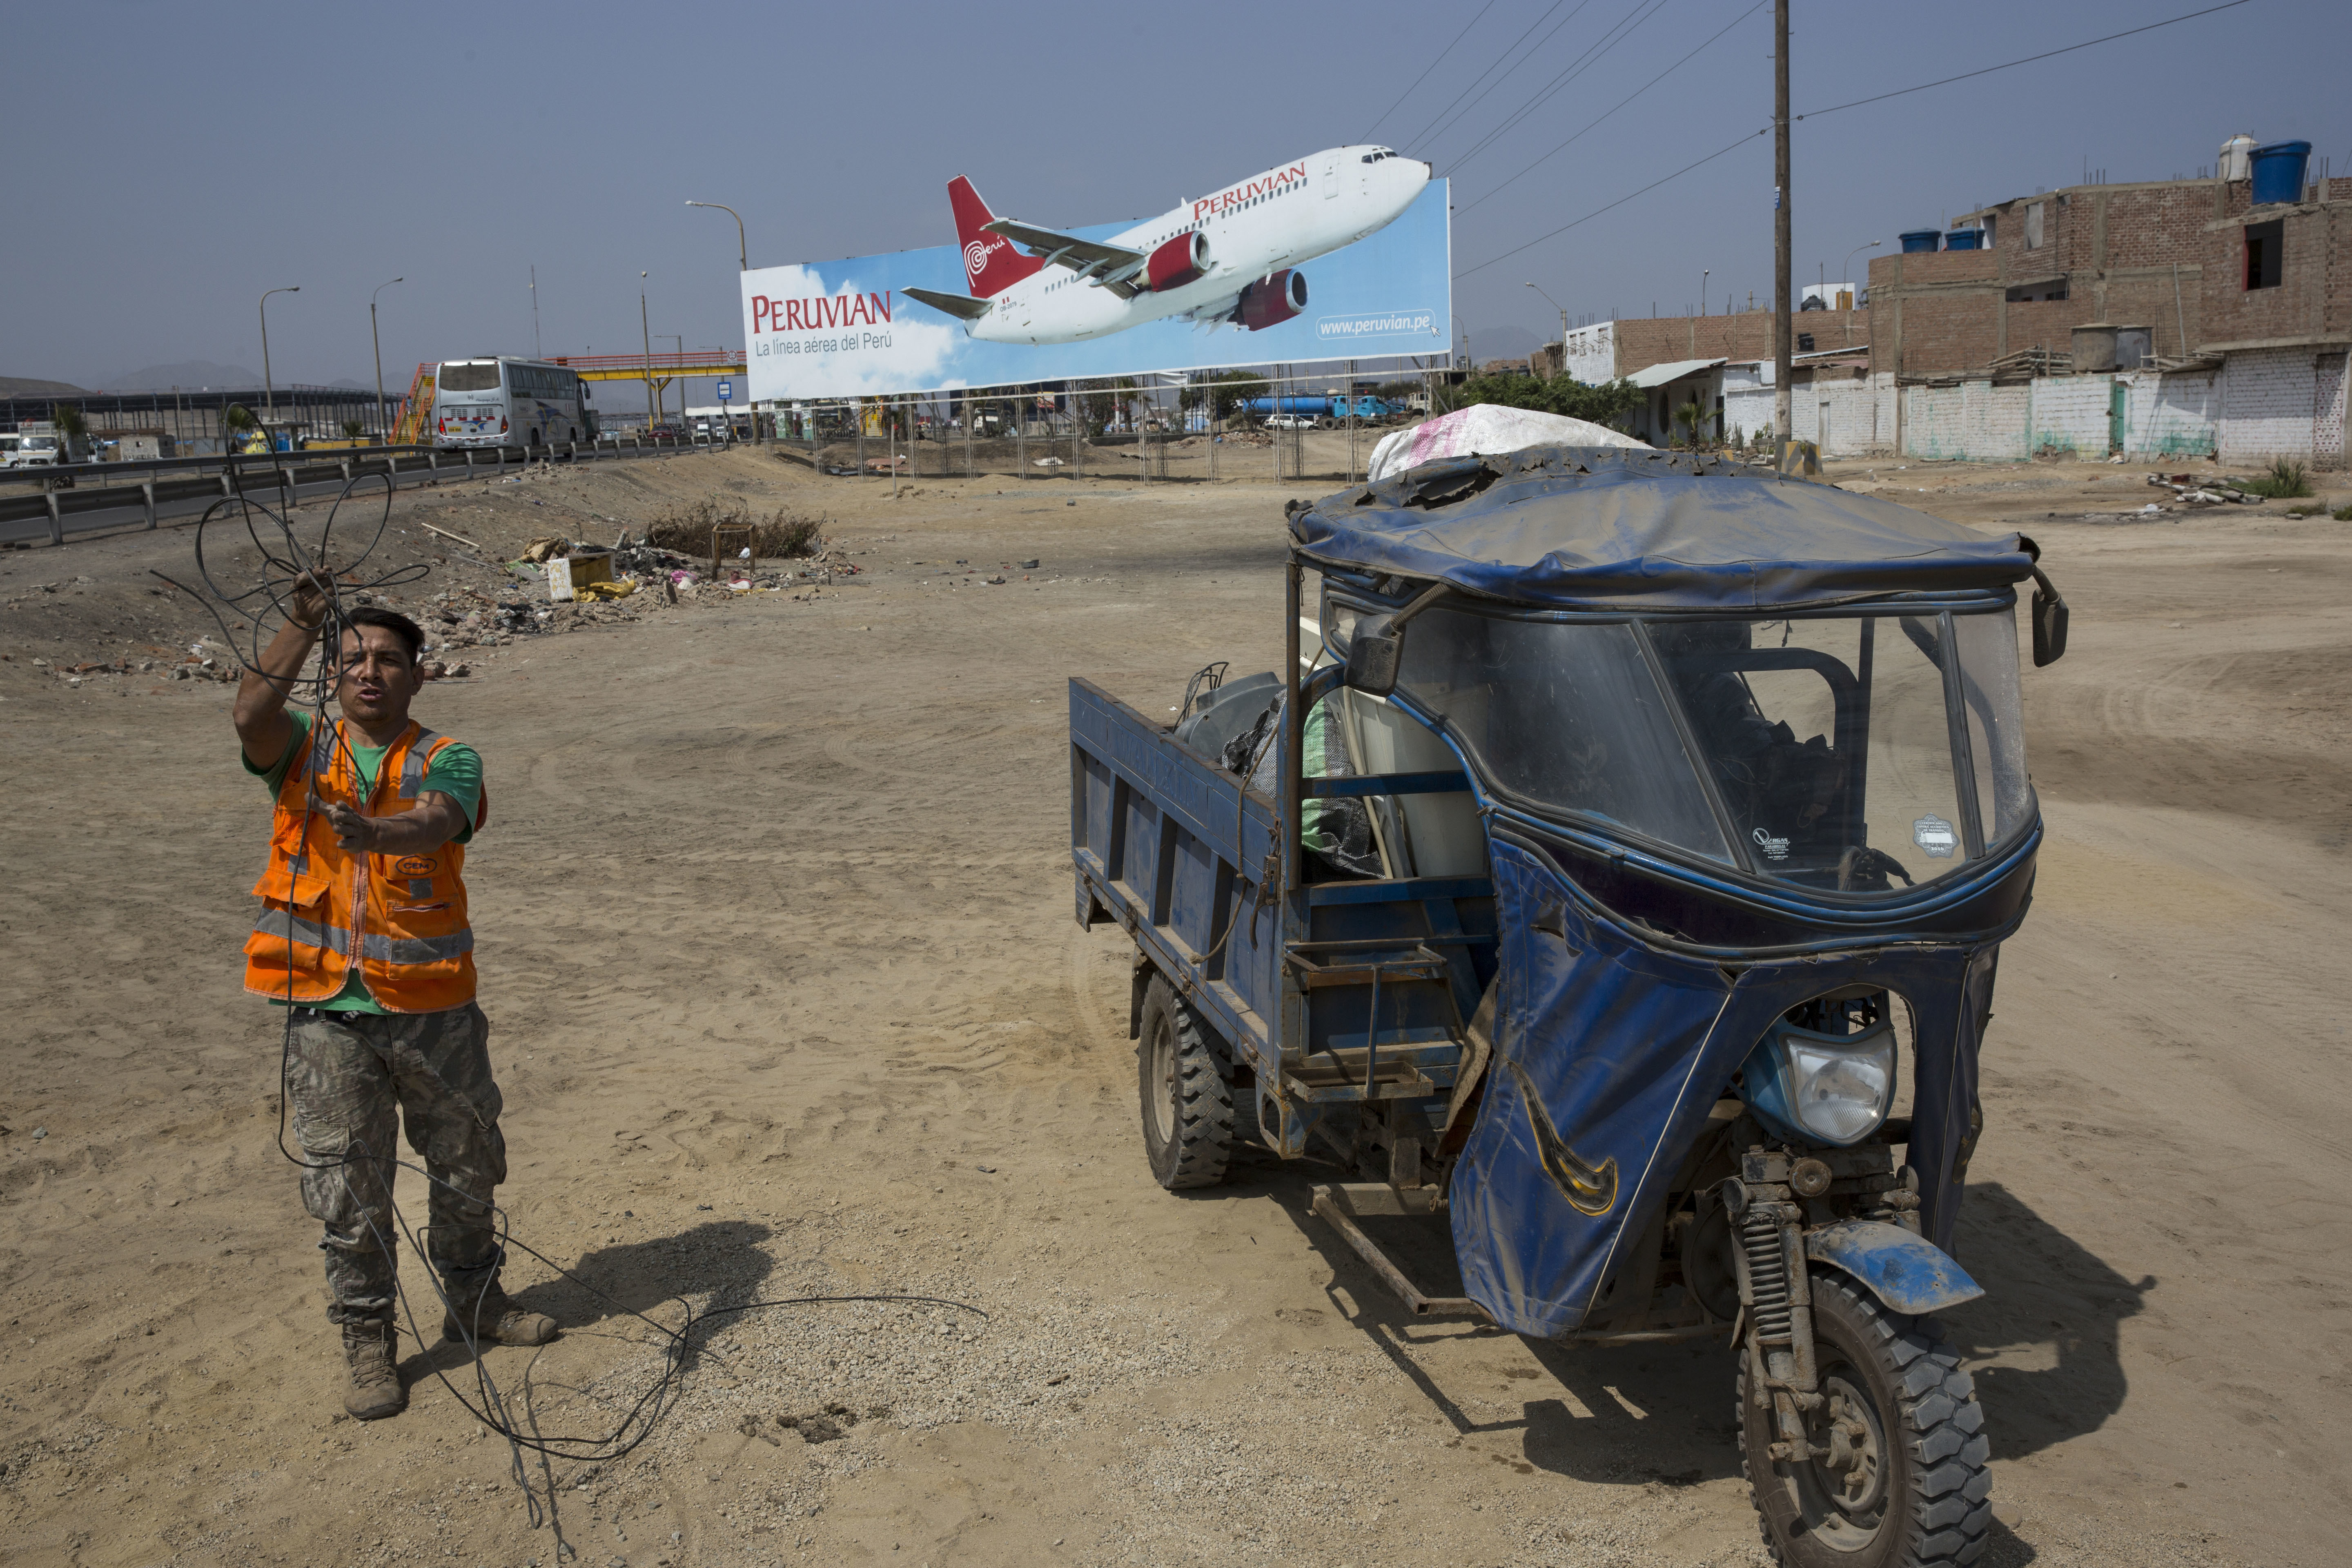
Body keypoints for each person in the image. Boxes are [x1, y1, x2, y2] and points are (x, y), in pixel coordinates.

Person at [233, 572, 555, 1422]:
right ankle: (368, 1341)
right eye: (352, 659)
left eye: (386, 659)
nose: (369, 671)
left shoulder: (448, 756)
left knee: (466, 1166)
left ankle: (477, 1303)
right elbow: (250, 716)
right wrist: (301, 625)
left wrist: (375, 832)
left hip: (435, 1010)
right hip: (328, 1017)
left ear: (417, 675)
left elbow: (439, 820)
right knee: (348, 1189)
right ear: (333, 674)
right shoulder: (302, 748)